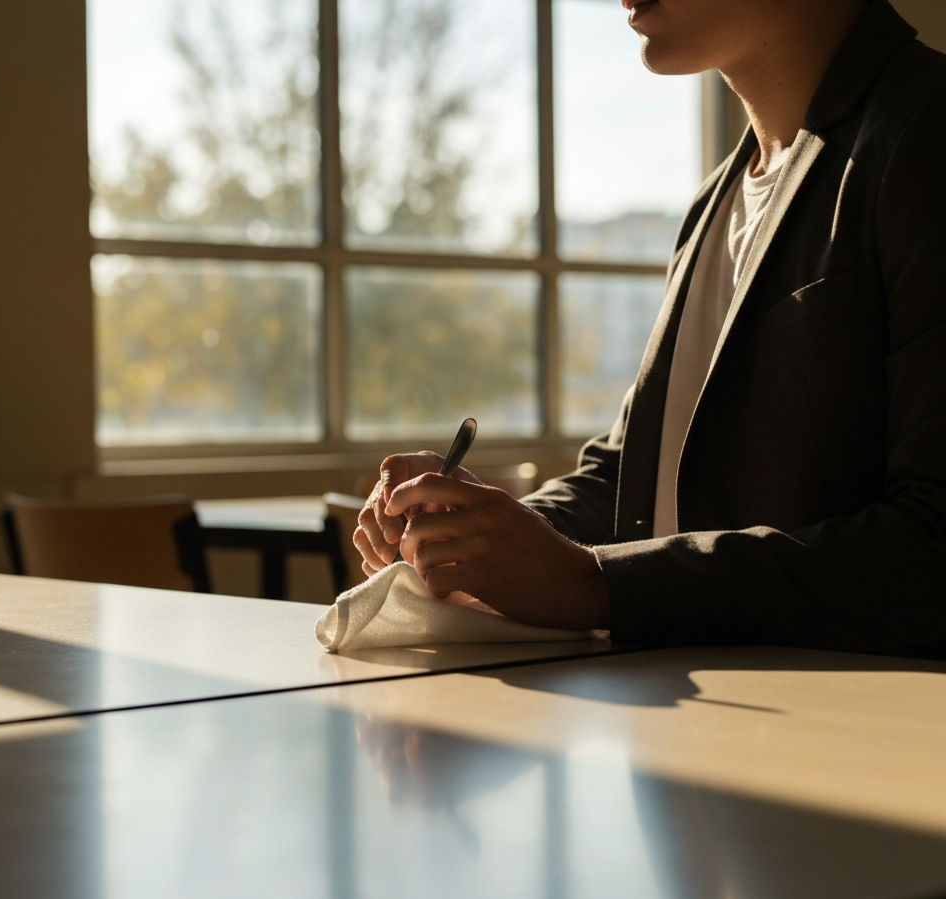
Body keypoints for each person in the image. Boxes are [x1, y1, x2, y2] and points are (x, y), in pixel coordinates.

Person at [354, 0, 946, 656]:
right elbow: (634, 480)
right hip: (711, 730)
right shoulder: (714, 201)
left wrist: (593, 583)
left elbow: (934, 545)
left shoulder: (927, 133)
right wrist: (480, 531)